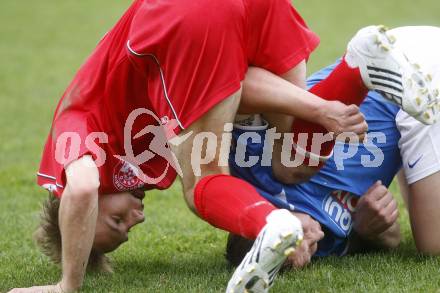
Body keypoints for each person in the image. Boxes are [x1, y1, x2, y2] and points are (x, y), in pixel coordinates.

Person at [225, 26, 440, 269]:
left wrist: (318, 110)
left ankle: (355, 69)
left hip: (408, 69)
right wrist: (365, 230)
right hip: (409, 109)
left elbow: (239, 84)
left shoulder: (249, 168)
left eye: (300, 240)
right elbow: (392, 239)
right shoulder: (321, 242)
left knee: (433, 245)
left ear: (272, 223)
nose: (313, 239)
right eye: (307, 255)